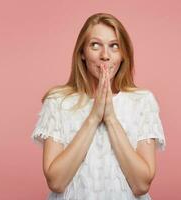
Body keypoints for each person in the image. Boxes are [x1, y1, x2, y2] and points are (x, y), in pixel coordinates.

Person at [30, 13, 166, 200]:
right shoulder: (57, 102)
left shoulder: (142, 101)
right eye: (95, 45)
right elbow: (56, 182)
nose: (105, 56)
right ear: (82, 54)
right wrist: (93, 117)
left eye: (114, 46)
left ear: (123, 55)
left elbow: (141, 185)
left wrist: (110, 118)